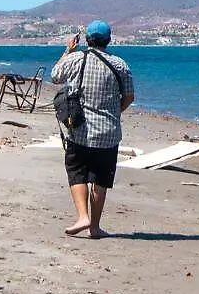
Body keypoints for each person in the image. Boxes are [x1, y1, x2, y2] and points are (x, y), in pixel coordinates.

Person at [50, 19, 135, 238]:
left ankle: (82, 216)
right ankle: (94, 227)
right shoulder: (120, 64)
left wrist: (68, 50)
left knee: (77, 172)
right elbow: (129, 96)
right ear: (109, 40)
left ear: (87, 39)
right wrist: (115, 113)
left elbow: (55, 76)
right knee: (100, 179)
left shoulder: (76, 58)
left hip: (79, 129)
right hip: (108, 133)